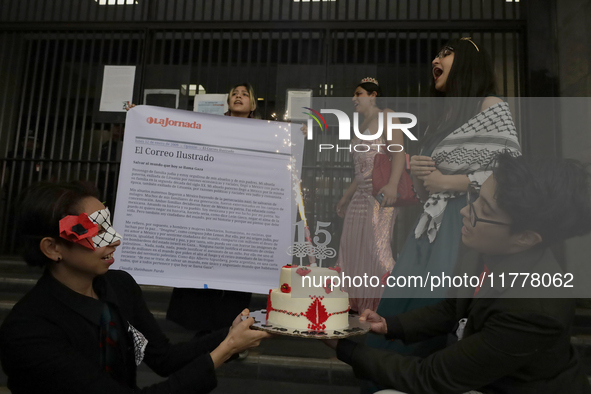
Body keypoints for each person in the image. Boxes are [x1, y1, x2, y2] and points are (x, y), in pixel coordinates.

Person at [327, 152, 591, 394]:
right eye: (475, 200)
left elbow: (429, 378)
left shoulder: (533, 309)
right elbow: (454, 308)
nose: (465, 211)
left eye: (483, 210)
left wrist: (344, 347)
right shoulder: (486, 246)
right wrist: (389, 325)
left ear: (525, 238)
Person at [0, 181, 270, 393]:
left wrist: (235, 332)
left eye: (110, 225)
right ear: (52, 248)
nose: (115, 240)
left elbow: (165, 358)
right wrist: (226, 349)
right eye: (97, 232)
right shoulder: (30, 330)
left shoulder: (119, 285)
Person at [370, 37, 521, 358]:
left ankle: (415, 377)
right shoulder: (443, 118)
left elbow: (510, 175)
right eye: (436, 54)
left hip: (463, 223)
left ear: (469, 61)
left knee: (433, 304)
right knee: (399, 302)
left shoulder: (491, 105)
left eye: (446, 54)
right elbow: (430, 189)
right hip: (427, 226)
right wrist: (424, 177)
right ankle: (384, 375)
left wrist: (445, 179)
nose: (436, 60)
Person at [167, 82, 259, 336]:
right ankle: (201, 333)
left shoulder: (264, 132)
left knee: (236, 278)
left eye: (244, 95)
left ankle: (229, 334)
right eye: (234, 94)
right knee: (204, 267)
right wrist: (139, 116)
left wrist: (299, 132)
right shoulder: (209, 127)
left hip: (243, 211)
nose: (238, 97)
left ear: (253, 104)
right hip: (211, 209)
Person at [334, 77, 405, 313]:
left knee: (378, 249)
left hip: (379, 196)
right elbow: (362, 170)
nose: (354, 99)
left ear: (373, 95)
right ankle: (357, 304)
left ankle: (388, 306)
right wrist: (346, 196)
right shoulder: (360, 126)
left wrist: (393, 185)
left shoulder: (387, 115)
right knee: (351, 248)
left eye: (359, 93)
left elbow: (398, 152)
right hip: (359, 198)